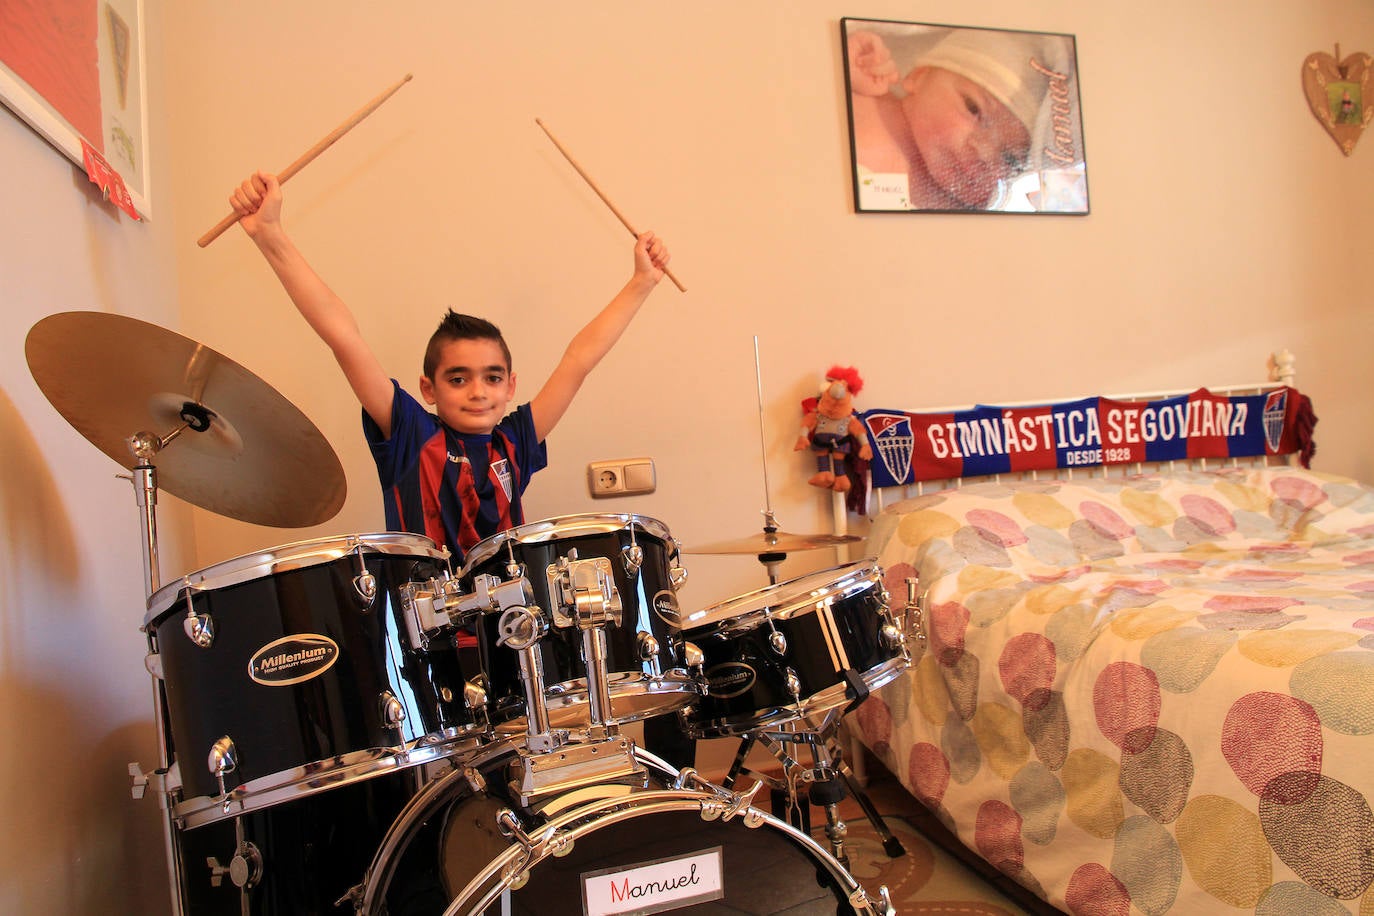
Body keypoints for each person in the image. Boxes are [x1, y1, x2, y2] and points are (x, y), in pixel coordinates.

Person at [227, 170, 671, 567]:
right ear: (429, 388)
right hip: (427, 633)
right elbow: (343, 336)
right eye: (458, 379)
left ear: (510, 385)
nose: (478, 391)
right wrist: (271, 236)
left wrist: (641, 282)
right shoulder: (409, 435)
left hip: (511, 632)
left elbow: (579, 359)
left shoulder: (516, 441)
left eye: (492, 377)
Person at [846, 26, 1057, 211]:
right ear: (918, 77)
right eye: (974, 109)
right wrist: (850, 65)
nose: (983, 152)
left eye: (1009, 158)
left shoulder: (958, 210)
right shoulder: (869, 98)